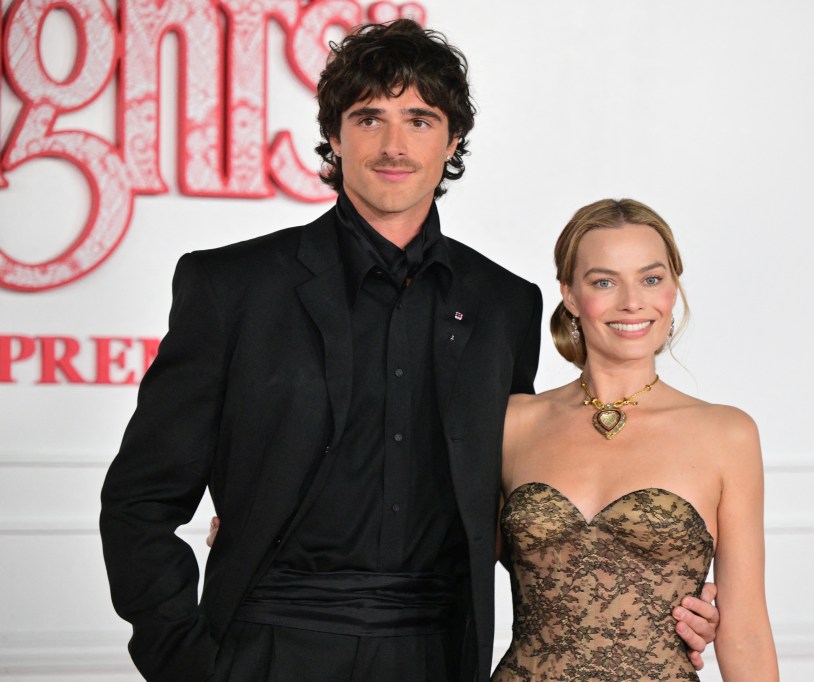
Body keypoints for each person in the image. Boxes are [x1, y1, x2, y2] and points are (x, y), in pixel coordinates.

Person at [99, 20, 718, 681]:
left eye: (420, 119)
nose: (394, 145)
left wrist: (654, 594)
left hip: (437, 654)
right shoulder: (232, 288)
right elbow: (141, 500)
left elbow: (517, 506)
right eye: (369, 118)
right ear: (334, 136)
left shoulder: (504, 305)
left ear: (452, 140)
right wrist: (187, 663)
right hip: (269, 643)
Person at [492, 199, 778, 681]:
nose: (632, 301)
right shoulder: (512, 422)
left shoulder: (727, 434)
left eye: (651, 279)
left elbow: (745, 630)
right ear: (570, 295)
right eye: (604, 281)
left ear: (672, 289)